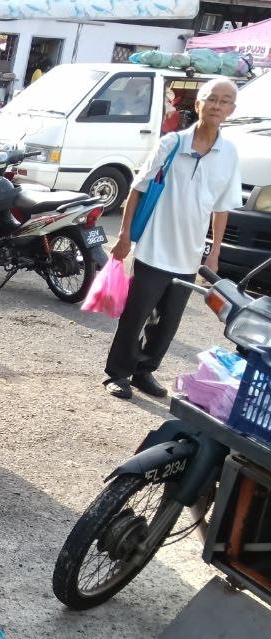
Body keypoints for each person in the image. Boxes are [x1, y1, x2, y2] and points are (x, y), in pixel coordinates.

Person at [103, 78, 241, 400]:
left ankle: (144, 371)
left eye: (224, 101)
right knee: (136, 315)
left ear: (231, 110)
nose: (217, 105)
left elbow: (222, 208)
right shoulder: (172, 143)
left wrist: (214, 253)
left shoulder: (230, 153)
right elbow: (137, 188)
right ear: (198, 104)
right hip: (154, 248)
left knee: (167, 323)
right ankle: (118, 373)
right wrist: (124, 235)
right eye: (211, 99)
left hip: (189, 255)